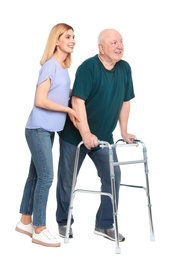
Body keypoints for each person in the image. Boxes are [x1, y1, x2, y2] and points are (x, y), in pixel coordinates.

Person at [56, 28, 137, 242]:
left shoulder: (124, 68)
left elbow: (125, 101)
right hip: (75, 135)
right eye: (113, 42)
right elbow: (77, 101)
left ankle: (104, 224)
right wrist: (85, 133)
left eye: (121, 41)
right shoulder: (88, 68)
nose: (119, 45)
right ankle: (64, 222)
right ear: (101, 48)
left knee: (112, 176)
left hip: (103, 137)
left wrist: (124, 131)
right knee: (67, 180)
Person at [15, 23, 80, 247]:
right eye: (67, 36)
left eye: (73, 36)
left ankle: (25, 219)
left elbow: (60, 93)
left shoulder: (63, 67)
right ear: (57, 40)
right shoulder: (50, 65)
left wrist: (76, 95)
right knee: (46, 177)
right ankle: (40, 228)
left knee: (35, 175)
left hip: (48, 129)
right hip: (38, 129)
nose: (72, 40)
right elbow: (40, 100)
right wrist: (69, 109)